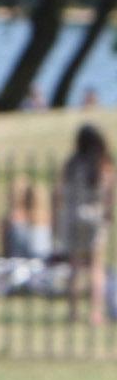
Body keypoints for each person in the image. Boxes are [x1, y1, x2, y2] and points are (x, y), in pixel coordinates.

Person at [58, 124, 115, 325]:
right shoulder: (103, 164)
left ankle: (73, 312)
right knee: (96, 267)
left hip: (73, 216)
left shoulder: (72, 164)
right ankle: (95, 313)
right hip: (94, 216)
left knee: (74, 266)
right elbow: (109, 194)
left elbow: (60, 191)